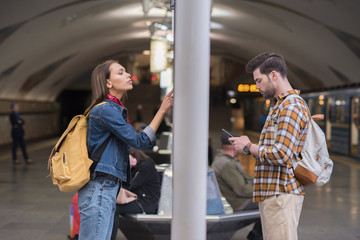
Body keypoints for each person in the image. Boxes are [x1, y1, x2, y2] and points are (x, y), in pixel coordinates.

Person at [78, 60, 173, 240]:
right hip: (99, 189)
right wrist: (162, 110)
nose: (129, 75)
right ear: (108, 83)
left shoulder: (113, 109)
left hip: (105, 188)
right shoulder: (106, 110)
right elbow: (141, 141)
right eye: (121, 73)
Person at [229, 53, 309, 240]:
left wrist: (249, 147)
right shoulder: (278, 106)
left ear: (273, 75)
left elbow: (282, 154)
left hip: (280, 194)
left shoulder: (290, 106)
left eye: (258, 80)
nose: (256, 86)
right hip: (273, 194)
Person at [211, 131, 262, 240]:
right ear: (235, 147)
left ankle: (256, 236)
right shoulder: (226, 164)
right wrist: (261, 191)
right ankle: (256, 237)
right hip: (239, 203)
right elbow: (242, 189)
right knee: (267, 203)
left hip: (237, 201)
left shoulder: (224, 159)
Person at [111, 147, 161, 240]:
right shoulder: (136, 167)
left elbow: (131, 185)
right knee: (111, 207)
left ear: (133, 154)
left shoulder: (146, 165)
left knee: (114, 209)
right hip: (137, 199)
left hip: (145, 203)